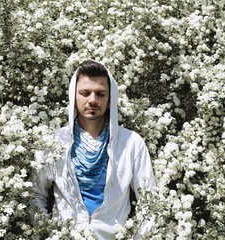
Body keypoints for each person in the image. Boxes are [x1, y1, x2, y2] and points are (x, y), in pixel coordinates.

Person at [32, 60, 156, 239]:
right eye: (85, 93)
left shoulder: (131, 143)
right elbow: (35, 195)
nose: (92, 100)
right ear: (74, 96)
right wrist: (48, 232)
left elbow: (149, 202)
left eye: (100, 94)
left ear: (110, 98)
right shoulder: (54, 142)